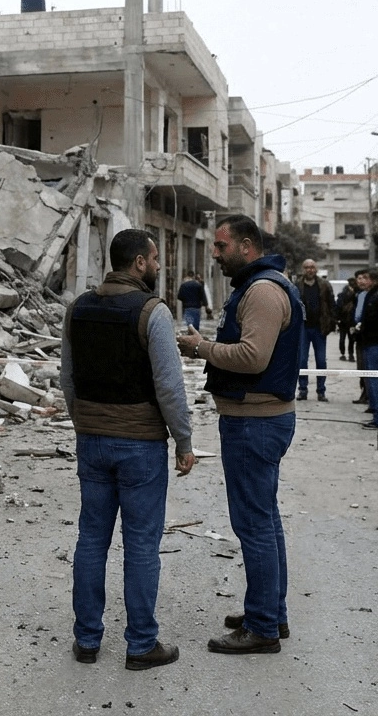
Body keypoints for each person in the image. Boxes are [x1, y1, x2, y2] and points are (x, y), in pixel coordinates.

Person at [61, 229, 196, 671]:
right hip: (140, 445)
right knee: (140, 544)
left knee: (91, 539)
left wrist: (85, 423)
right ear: (139, 262)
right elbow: (169, 386)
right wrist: (183, 440)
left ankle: (87, 640)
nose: (157, 266)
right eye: (154, 259)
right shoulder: (152, 311)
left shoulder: (78, 308)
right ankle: (141, 645)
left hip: (92, 441)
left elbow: (68, 379)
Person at [177, 215, 303, 656]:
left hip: (255, 422)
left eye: (221, 246)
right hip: (257, 420)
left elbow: (253, 357)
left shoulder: (263, 291)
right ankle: (269, 613)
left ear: (247, 246)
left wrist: (201, 348)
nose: (215, 253)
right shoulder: (258, 286)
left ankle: (263, 627)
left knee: (254, 524)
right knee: (264, 520)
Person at [293, 259, 336, 401]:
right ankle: (302, 390)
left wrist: (331, 323)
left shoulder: (324, 285)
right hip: (303, 328)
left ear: (316, 269)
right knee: (302, 361)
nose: (309, 270)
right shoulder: (296, 285)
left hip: (319, 328)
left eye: (312, 267)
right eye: (307, 267)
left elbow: (331, 305)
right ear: (303, 269)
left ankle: (321, 391)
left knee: (321, 361)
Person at [354, 268, 378, 428]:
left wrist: (361, 328)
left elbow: (372, 320)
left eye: (366, 278)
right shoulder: (368, 295)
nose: (362, 281)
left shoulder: (374, 297)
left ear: (373, 280)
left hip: (373, 342)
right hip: (368, 342)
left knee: (373, 378)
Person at [337, 276, 358, 363]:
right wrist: (337, 319)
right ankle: (344, 354)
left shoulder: (357, 294)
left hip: (350, 320)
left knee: (351, 339)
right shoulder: (344, 294)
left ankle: (350, 354)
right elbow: (338, 307)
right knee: (344, 339)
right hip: (344, 320)